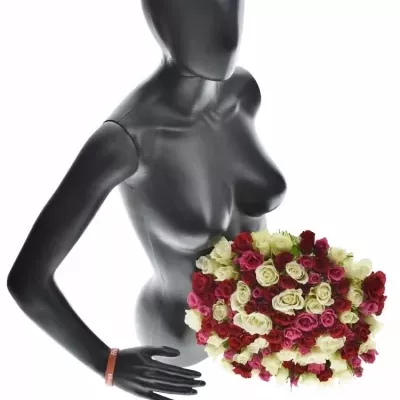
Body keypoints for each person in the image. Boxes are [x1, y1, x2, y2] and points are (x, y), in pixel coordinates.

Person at [7, 1, 286, 399]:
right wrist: (106, 363)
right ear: (161, 16)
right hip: (176, 342)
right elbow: (27, 280)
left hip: (265, 323)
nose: (223, 29)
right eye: (198, 9)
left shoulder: (242, 92)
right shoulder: (126, 140)